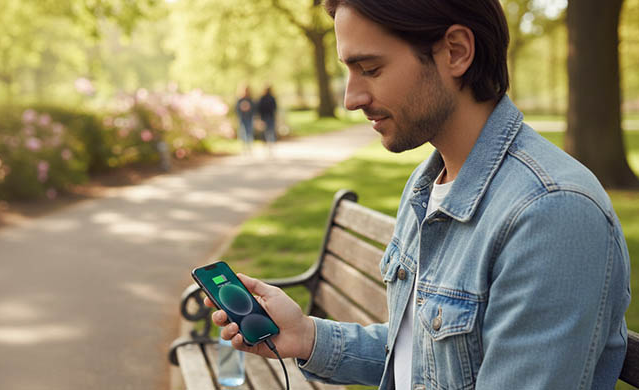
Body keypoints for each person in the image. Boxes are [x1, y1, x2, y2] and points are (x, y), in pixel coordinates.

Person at [208, 1, 632, 389]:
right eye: (348, 71)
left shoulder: (552, 214)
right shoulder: (427, 184)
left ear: (455, 52)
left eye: (370, 69)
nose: (351, 98)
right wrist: (307, 336)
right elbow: (424, 361)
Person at [235, 85, 255, 152]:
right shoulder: (240, 100)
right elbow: (237, 109)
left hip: (249, 118)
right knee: (243, 132)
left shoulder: (250, 99)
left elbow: (254, 109)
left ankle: (249, 147)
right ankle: (244, 147)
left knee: (249, 132)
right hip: (242, 118)